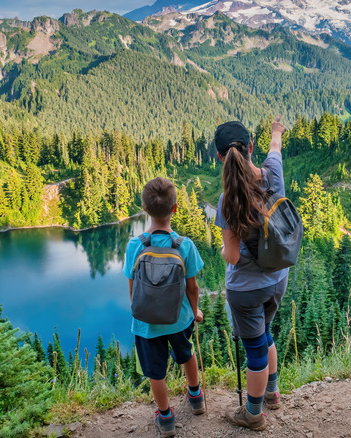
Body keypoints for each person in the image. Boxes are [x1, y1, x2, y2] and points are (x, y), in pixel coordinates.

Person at [214, 116, 288, 430]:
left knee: (255, 349)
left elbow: (231, 255)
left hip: (245, 290)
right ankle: (272, 393)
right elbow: (276, 148)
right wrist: (276, 131)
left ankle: (253, 414)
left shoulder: (226, 201)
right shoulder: (273, 175)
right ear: (250, 148)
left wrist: (221, 247)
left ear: (220, 157)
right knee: (266, 334)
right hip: (277, 279)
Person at [123, 177, 206, 437]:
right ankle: (196, 397)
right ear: (175, 208)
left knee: (155, 372)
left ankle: (166, 418)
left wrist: (140, 311)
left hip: (146, 324)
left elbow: (132, 289)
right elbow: (192, 288)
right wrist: (194, 312)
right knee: (186, 353)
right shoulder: (185, 246)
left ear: (144, 209)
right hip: (179, 319)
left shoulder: (135, 245)